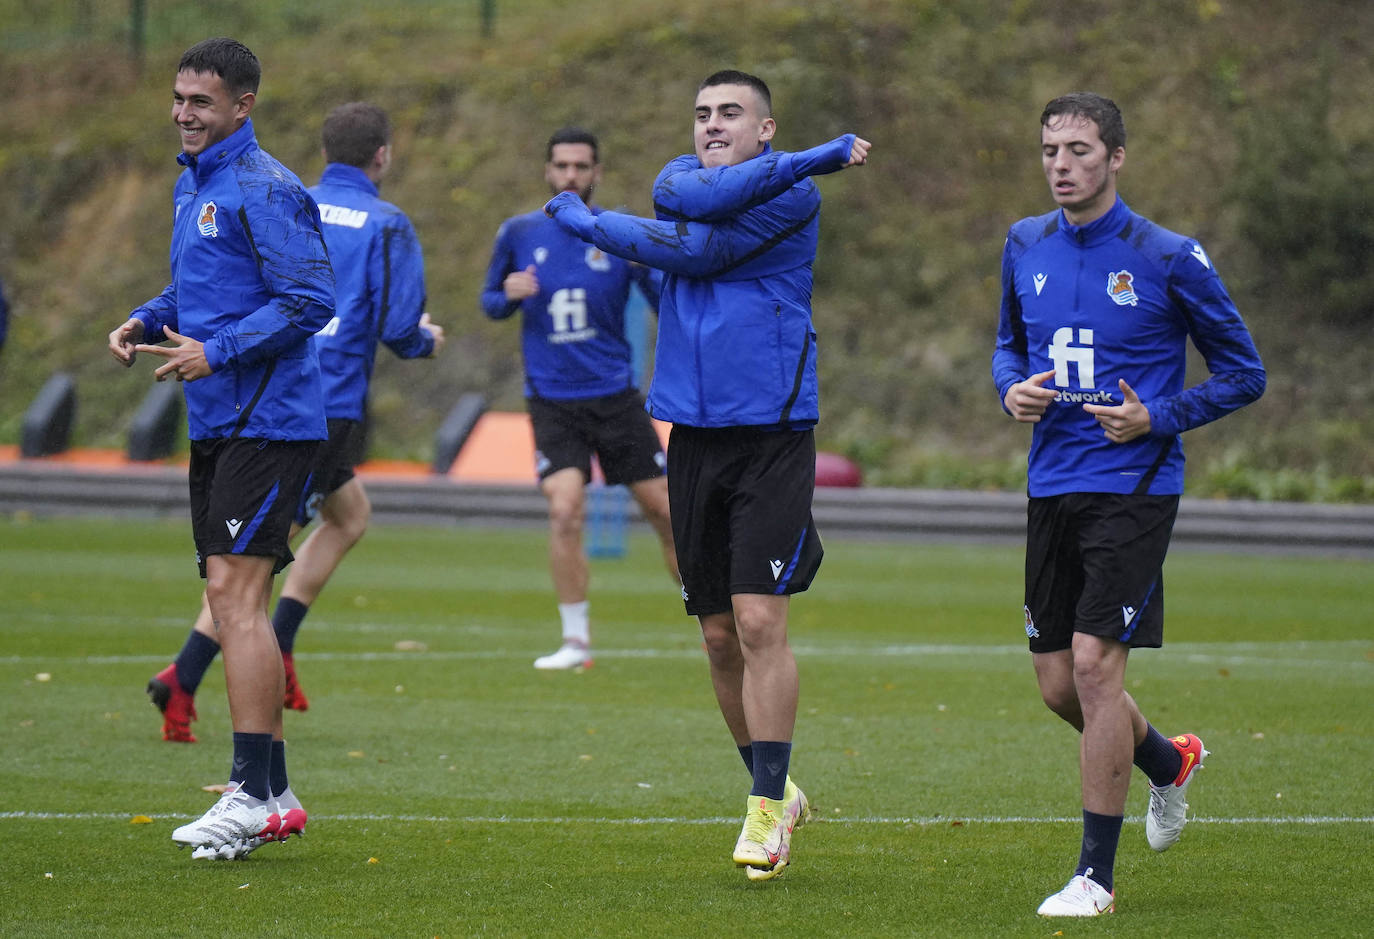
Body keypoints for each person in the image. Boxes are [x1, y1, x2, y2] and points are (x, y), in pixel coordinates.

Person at [544, 70, 870, 880]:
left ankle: (763, 812)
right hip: (692, 435)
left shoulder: (795, 195)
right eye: (701, 114)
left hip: (774, 435)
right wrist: (629, 212)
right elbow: (676, 201)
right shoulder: (679, 182)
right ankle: (776, 787)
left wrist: (585, 218)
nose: (712, 125)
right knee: (719, 633)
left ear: (767, 132)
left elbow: (698, 244)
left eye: (731, 113)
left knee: (761, 622)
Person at [992, 92, 1266, 916]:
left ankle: (1095, 878)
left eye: (1078, 149)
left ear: (1117, 157)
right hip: (1053, 481)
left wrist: (1158, 416)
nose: (1061, 165)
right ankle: (1167, 763)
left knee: (1094, 665)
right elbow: (1008, 343)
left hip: (1135, 487)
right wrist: (1012, 389)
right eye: (1049, 151)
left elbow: (1244, 372)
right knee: (1054, 684)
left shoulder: (1169, 255)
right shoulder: (1023, 243)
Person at [143, 101, 445, 732]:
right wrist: (426, 339)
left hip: (278, 387)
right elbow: (395, 327)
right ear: (382, 155)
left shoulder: (280, 195)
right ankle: (188, 673)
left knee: (349, 515)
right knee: (249, 562)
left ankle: (275, 642)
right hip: (315, 406)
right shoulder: (386, 222)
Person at [108, 37, 335, 860]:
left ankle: (247, 790)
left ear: (244, 105)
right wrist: (146, 315)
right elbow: (199, 290)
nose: (183, 112)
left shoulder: (265, 186)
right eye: (178, 98)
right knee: (230, 592)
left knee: (238, 598)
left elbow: (312, 300)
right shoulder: (192, 184)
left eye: (200, 101)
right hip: (221, 420)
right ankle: (273, 795)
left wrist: (221, 349)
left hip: (270, 421)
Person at [480, 126, 678, 671]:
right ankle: (575, 641)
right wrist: (508, 295)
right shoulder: (518, 232)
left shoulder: (616, 234)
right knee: (565, 510)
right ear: (548, 171)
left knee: (665, 511)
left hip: (616, 397)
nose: (571, 175)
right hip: (552, 399)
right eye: (562, 166)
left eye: (581, 167)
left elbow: (664, 301)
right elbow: (490, 301)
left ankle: (709, 613)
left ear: (597, 174)